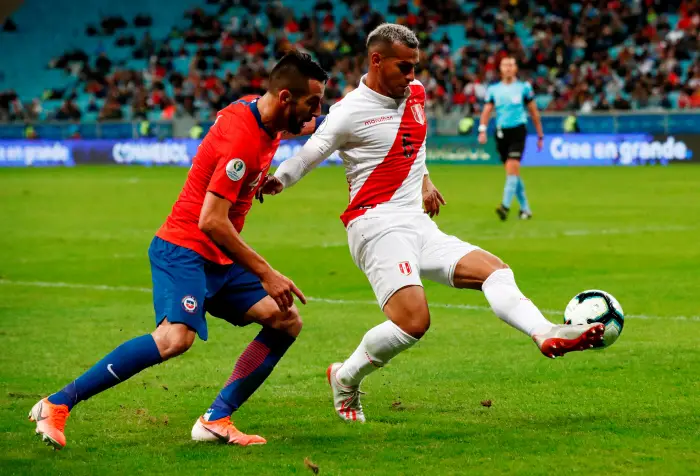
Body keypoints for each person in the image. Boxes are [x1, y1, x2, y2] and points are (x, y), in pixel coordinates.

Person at [257, 24, 604, 423]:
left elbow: (414, 142)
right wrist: (279, 180)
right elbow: (310, 153)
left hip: (417, 223)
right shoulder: (349, 111)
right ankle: (345, 377)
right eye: (404, 67)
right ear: (376, 60)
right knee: (414, 322)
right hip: (375, 225)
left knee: (495, 270)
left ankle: (544, 332)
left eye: (415, 67)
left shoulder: (416, 93)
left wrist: (424, 180)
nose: (412, 76)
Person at [28, 51, 328, 449]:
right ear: (286, 97)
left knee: (285, 320)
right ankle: (57, 403)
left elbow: (305, 126)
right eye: (312, 102)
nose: (315, 112)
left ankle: (216, 419)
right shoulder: (242, 138)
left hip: (218, 256)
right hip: (185, 247)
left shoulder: (263, 114)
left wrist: (258, 181)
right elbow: (211, 220)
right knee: (174, 338)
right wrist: (265, 272)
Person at [478, 56, 544, 221]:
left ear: (516, 68)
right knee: (512, 172)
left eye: (511, 65)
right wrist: (482, 130)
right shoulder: (494, 89)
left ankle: (505, 206)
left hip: (518, 131)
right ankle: (525, 209)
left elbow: (534, 112)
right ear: (500, 69)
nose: (508, 67)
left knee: (513, 167)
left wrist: (540, 134)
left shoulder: (524, 88)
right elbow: (487, 110)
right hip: (501, 133)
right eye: (505, 65)